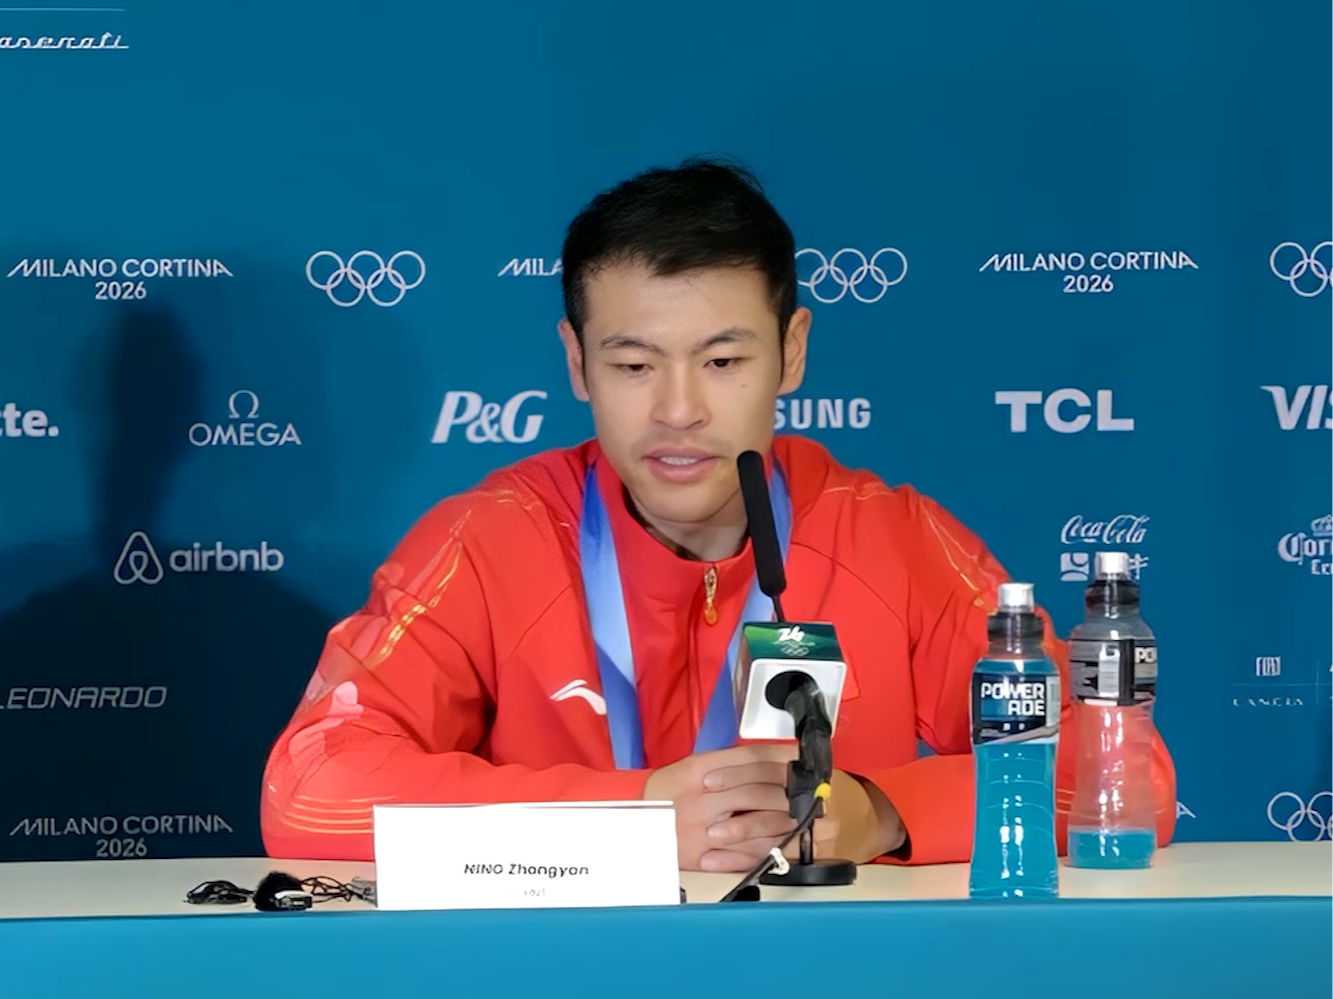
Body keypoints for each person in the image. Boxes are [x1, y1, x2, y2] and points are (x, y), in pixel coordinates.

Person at [261, 159, 1176, 870]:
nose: (678, 410)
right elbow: (308, 788)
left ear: (791, 351)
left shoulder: (887, 535)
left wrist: (883, 812)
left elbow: (1121, 777)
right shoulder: (487, 538)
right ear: (576, 363)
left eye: (723, 362)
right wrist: (633, 816)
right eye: (632, 365)